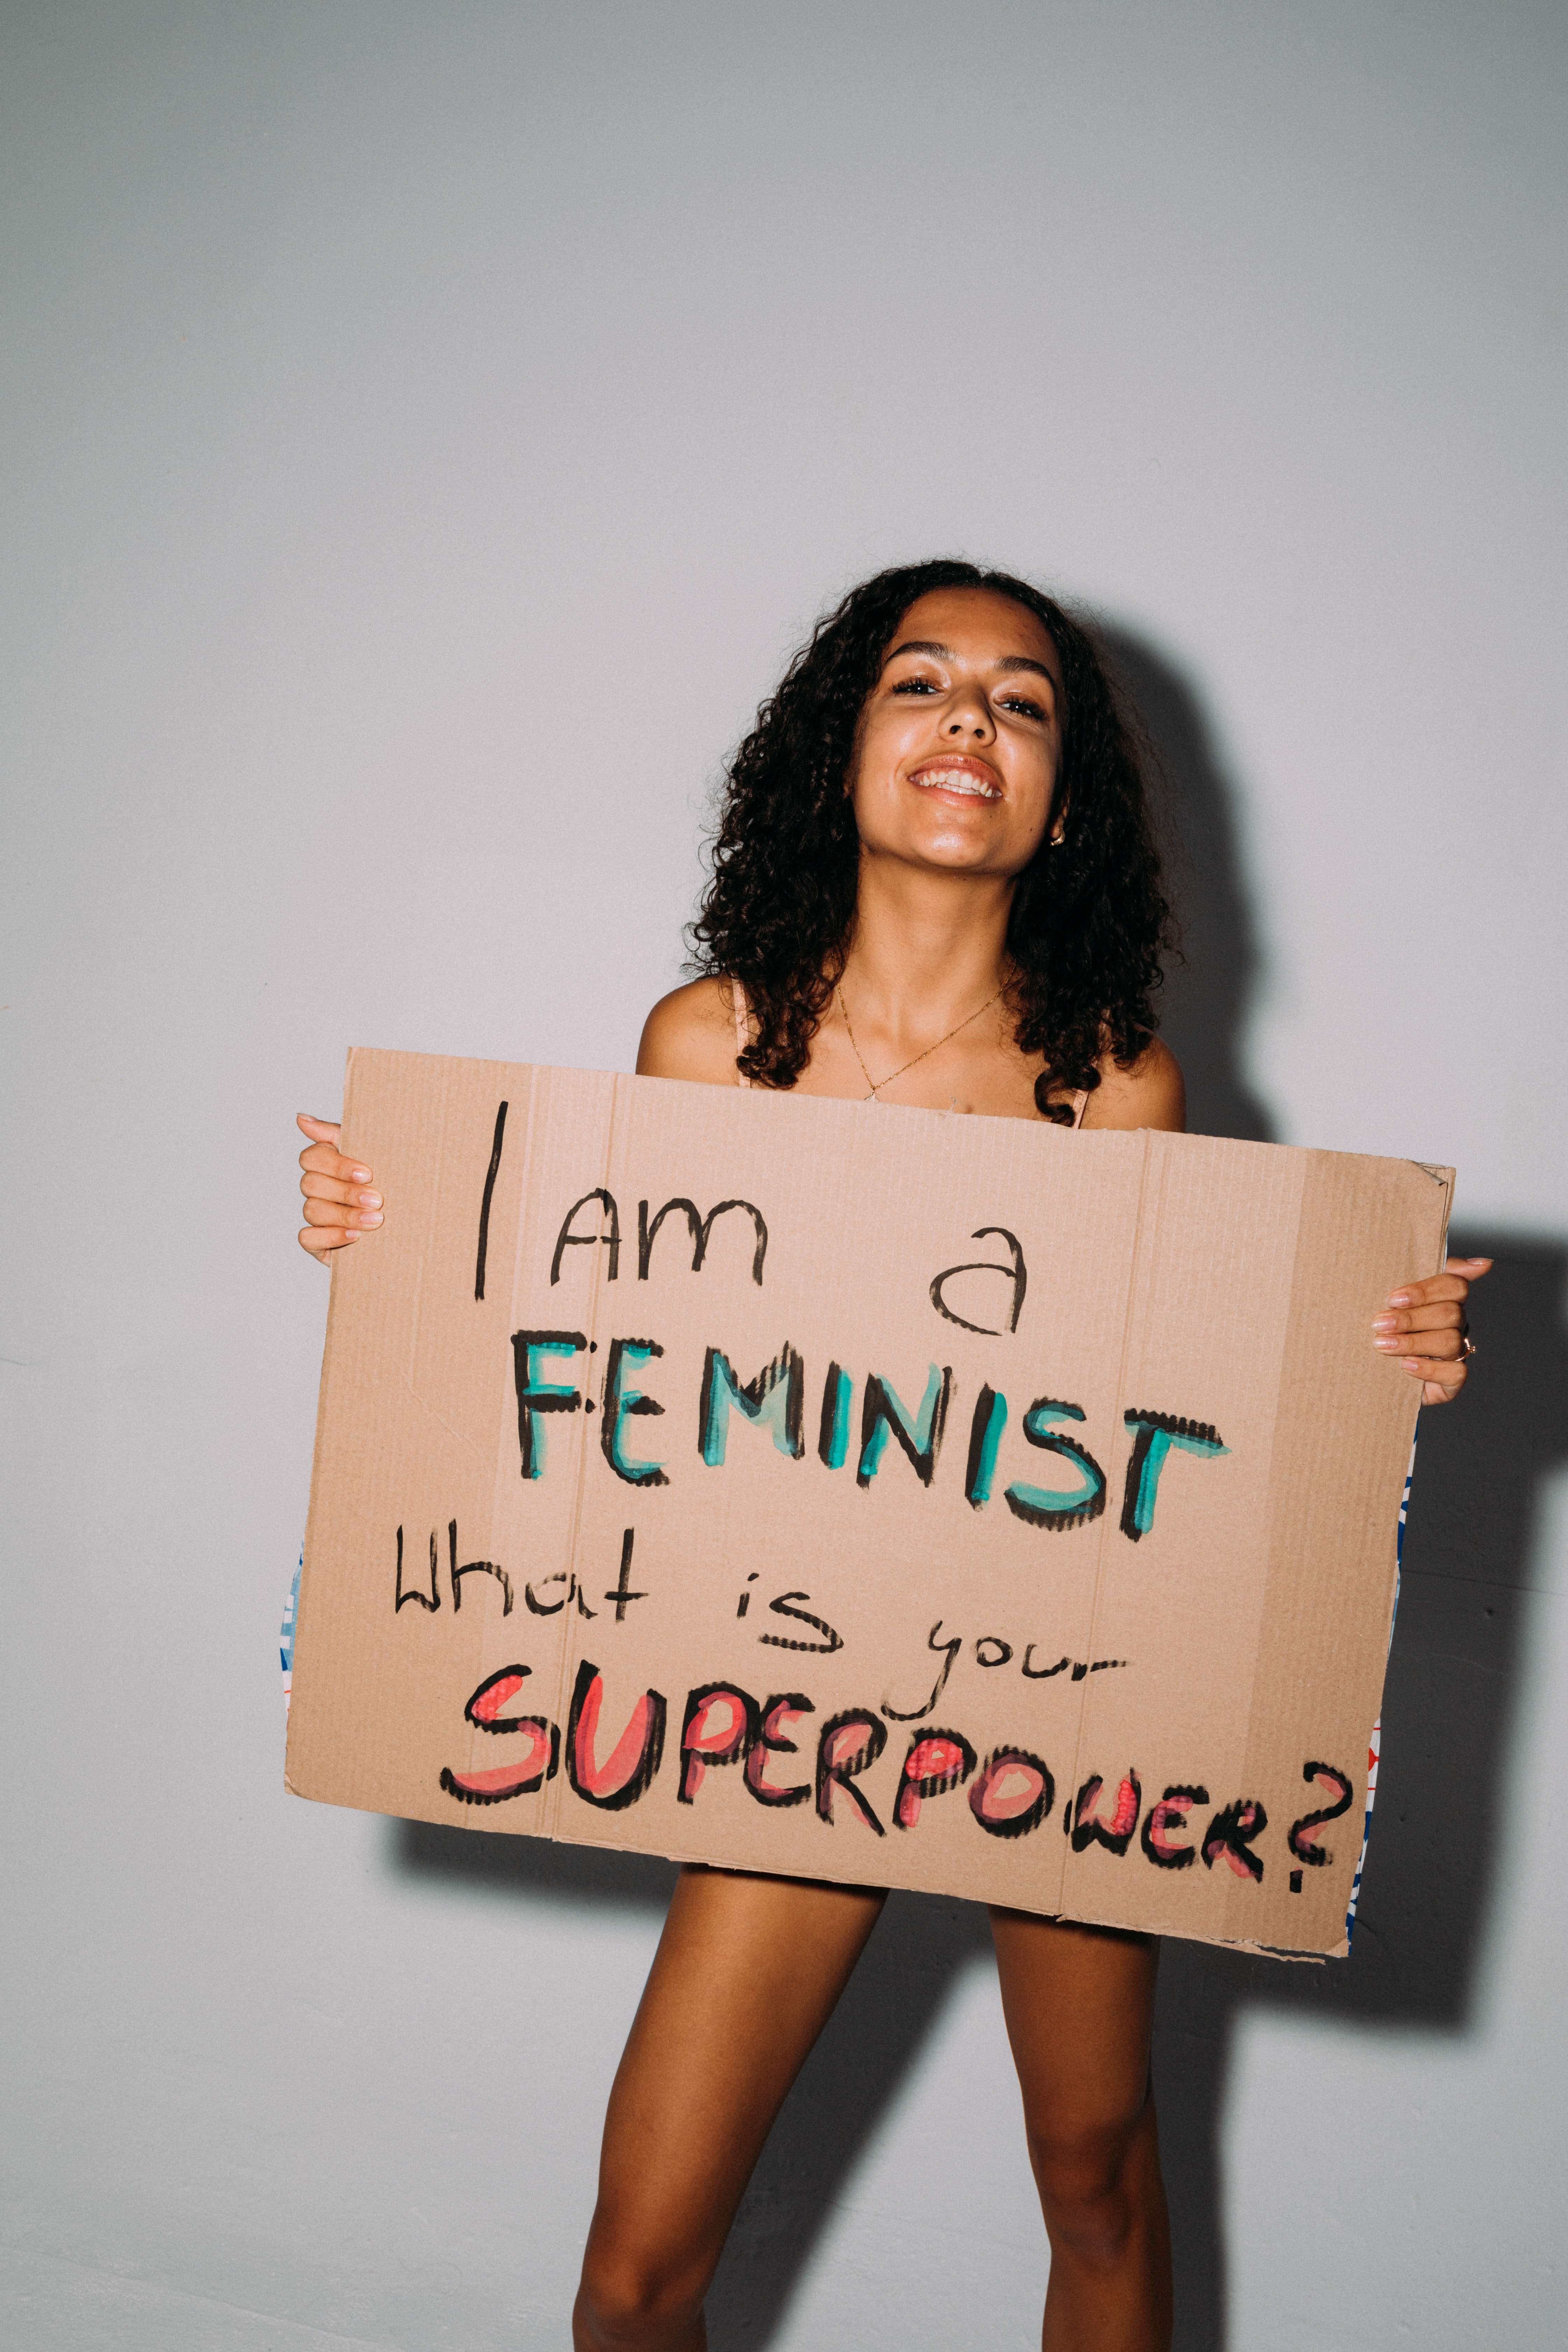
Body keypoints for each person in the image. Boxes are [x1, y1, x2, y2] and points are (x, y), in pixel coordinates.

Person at [294, 561, 1488, 2351]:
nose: (968, 722)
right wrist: (399, 1239)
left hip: (1045, 1697)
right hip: (784, 1698)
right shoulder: (707, 1045)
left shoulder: (1115, 1083)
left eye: (1020, 703)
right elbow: (610, 1360)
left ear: (1060, 800)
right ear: (839, 754)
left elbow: (1147, 1411)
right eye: (920, 683)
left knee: (1095, 2178)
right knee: (636, 2271)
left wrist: (1374, 1358)